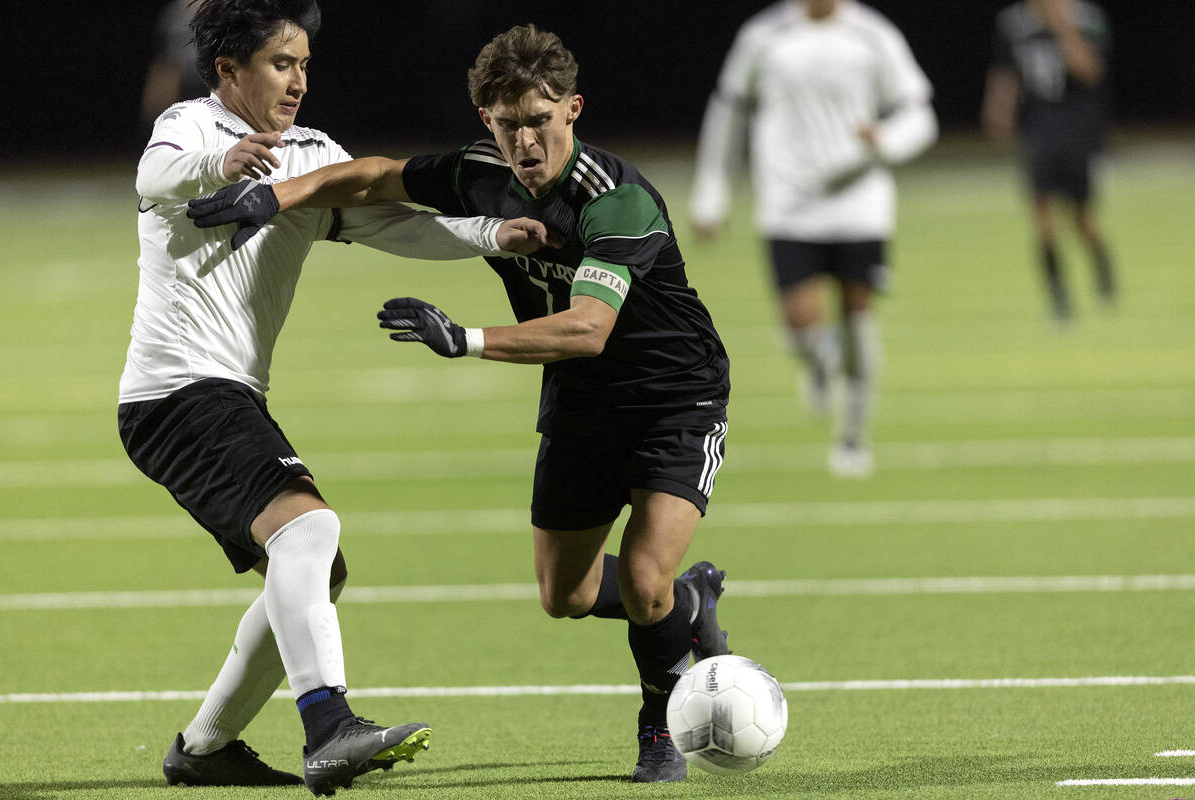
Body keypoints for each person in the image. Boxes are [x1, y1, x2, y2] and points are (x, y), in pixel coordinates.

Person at [187, 23, 734, 784]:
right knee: (564, 595)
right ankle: (691, 601)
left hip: (675, 396)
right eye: (508, 126)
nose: (526, 143)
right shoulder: (484, 171)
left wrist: (467, 339)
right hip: (581, 403)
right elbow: (373, 176)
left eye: (540, 122)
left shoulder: (619, 203)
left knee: (643, 584)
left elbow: (587, 329)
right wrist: (275, 197)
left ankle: (660, 724)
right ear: (488, 123)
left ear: (573, 110)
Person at [119, 1, 551, 795]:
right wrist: (223, 167)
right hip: (174, 392)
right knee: (309, 527)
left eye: (305, 64)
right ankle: (328, 725)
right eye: (281, 64)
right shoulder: (190, 127)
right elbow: (155, 176)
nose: (298, 81)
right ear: (229, 71)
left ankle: (206, 747)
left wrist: (492, 234)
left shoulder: (312, 153)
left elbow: (392, 224)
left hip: (225, 391)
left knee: (318, 562)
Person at [689, 0, 937, 478]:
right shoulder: (763, 36)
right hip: (789, 207)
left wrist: (885, 141)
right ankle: (819, 362)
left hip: (861, 206)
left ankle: (852, 438)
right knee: (800, 326)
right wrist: (712, 195)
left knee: (859, 319)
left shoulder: (873, 33)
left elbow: (920, 114)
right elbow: (728, 113)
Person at [982, 0, 1116, 322]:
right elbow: (1005, 70)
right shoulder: (1012, 22)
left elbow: (1091, 71)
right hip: (1038, 129)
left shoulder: (1087, 17)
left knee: (1081, 219)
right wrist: (999, 107)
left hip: (1077, 127)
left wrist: (1061, 26)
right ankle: (1059, 299)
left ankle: (1103, 268)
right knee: (1041, 218)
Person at [140, 0, 206, 128]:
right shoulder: (173, 13)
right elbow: (165, 60)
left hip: (217, 83)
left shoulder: (225, 9)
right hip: (184, 86)